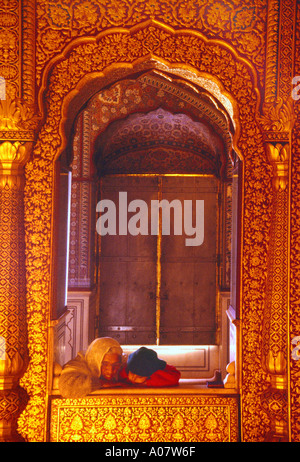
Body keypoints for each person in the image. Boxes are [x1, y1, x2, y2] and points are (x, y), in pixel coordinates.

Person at [58, 337, 124, 398]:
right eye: (104, 364)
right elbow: (67, 389)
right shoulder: (79, 364)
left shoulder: (120, 364)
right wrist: (100, 383)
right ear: (96, 359)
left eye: (115, 365)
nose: (110, 370)